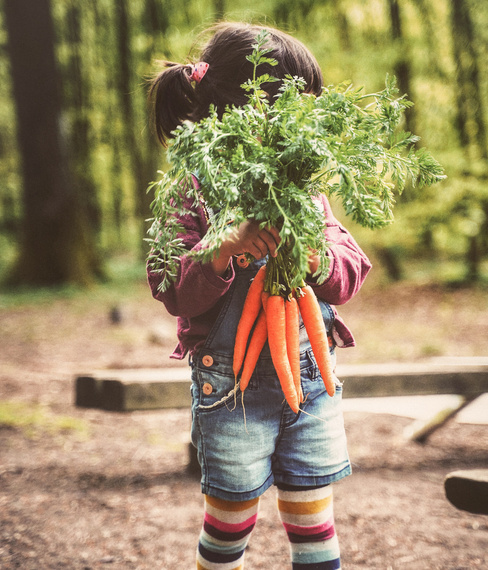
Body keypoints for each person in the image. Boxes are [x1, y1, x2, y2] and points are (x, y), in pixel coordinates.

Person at [147, 22, 371, 570]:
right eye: (297, 107)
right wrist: (221, 246)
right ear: (246, 106)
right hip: (230, 388)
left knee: (315, 526)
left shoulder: (306, 189)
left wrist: (318, 258)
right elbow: (170, 286)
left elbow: (351, 268)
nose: (308, 123)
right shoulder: (194, 189)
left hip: (310, 383)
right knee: (229, 526)